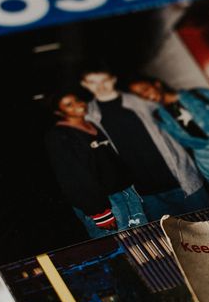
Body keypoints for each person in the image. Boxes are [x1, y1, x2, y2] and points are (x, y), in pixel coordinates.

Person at [79, 69, 209, 220]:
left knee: (207, 231)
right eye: (93, 82)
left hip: (182, 182)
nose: (100, 87)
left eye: (104, 80)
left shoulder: (143, 100)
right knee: (170, 240)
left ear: (113, 79)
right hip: (145, 194)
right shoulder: (88, 116)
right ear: (85, 85)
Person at [44, 91, 147, 237]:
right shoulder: (59, 136)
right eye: (68, 105)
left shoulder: (92, 125)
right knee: (123, 247)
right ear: (58, 112)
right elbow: (72, 177)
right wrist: (99, 212)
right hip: (105, 204)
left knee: (145, 240)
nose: (78, 105)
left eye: (77, 100)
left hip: (126, 195)